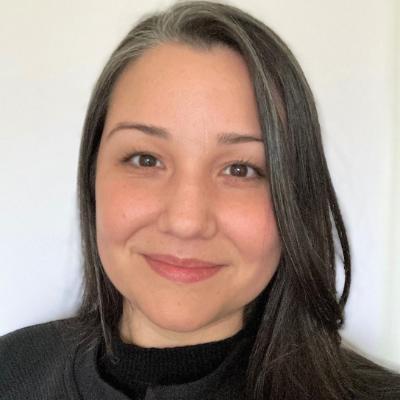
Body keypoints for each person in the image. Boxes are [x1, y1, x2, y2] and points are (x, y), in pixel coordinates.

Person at [1, 1, 399, 399]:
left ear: (295, 197)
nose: (186, 221)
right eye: (146, 159)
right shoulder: (11, 371)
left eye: (240, 169)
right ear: (93, 176)